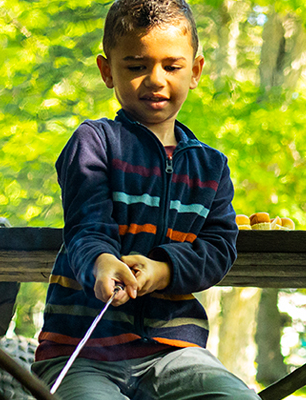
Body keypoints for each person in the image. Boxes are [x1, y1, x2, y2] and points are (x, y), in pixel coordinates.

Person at [31, 1, 258, 398]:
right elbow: (87, 228)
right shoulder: (94, 143)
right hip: (81, 350)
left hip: (175, 354)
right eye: (136, 66)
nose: (155, 80)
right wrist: (102, 263)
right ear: (107, 71)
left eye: (171, 67)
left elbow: (219, 248)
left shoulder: (212, 167)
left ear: (196, 71)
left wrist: (163, 270)